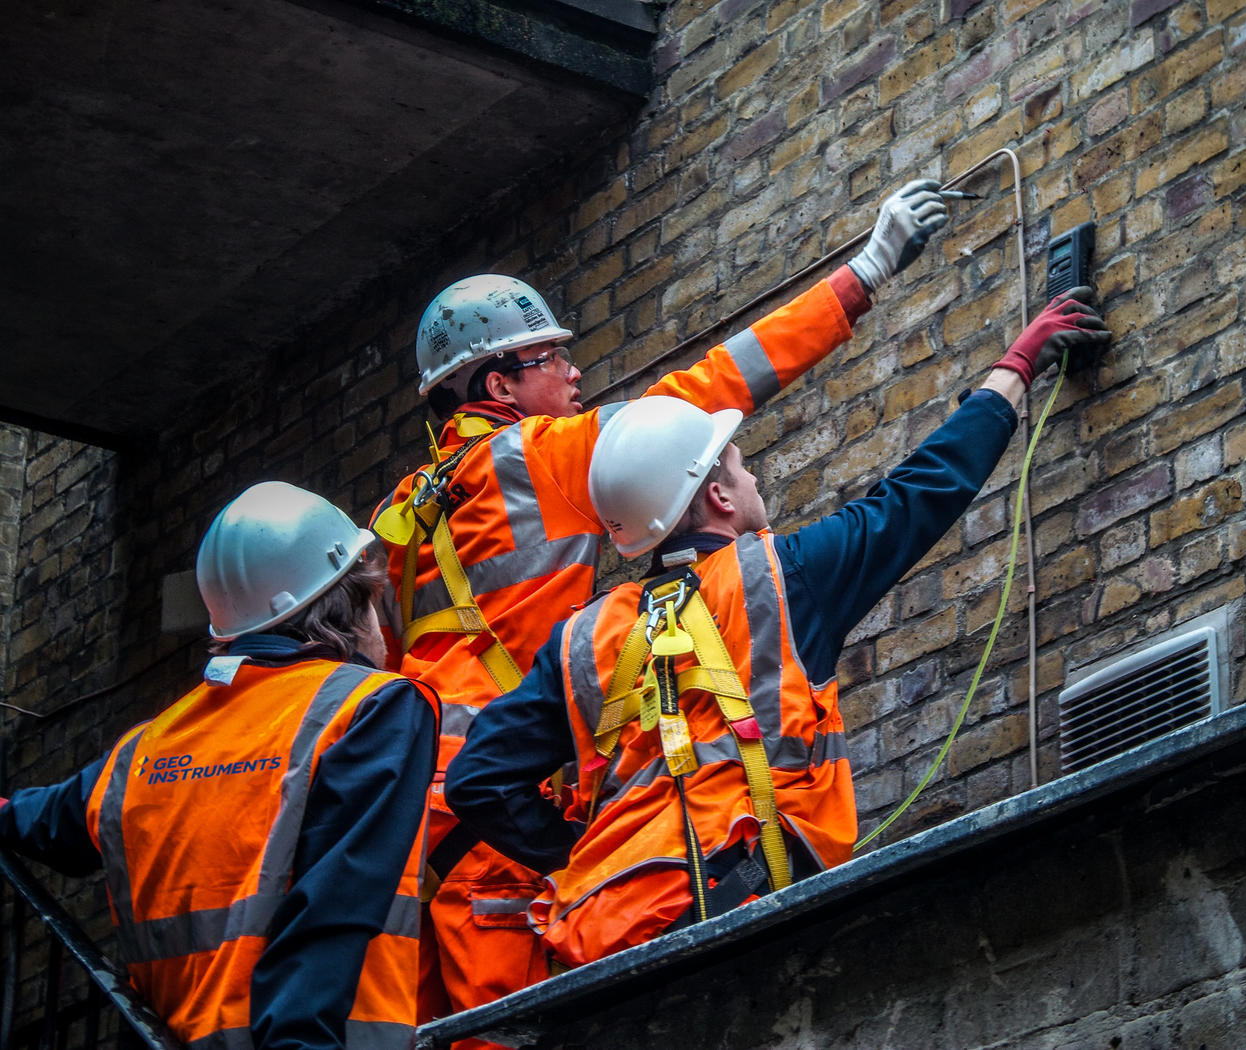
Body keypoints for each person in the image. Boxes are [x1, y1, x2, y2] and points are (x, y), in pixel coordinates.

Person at [371, 180, 954, 1030]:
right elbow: (698, 401)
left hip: (424, 827)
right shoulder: (531, 459)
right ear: (498, 384)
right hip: (491, 821)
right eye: (549, 361)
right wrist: (863, 273)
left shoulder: (404, 512)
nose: (573, 374)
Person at [442, 288, 1111, 968]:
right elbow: (919, 493)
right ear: (719, 496)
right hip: (737, 918)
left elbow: (476, 781)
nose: (752, 471)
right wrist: (1014, 369)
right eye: (738, 463)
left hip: (605, 940)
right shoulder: (782, 578)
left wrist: (578, 856)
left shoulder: (581, 639)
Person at [0, 482, 440, 1050]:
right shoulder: (370, 707)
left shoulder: (142, 751)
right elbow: (335, 904)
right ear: (352, 600)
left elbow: (42, 821)